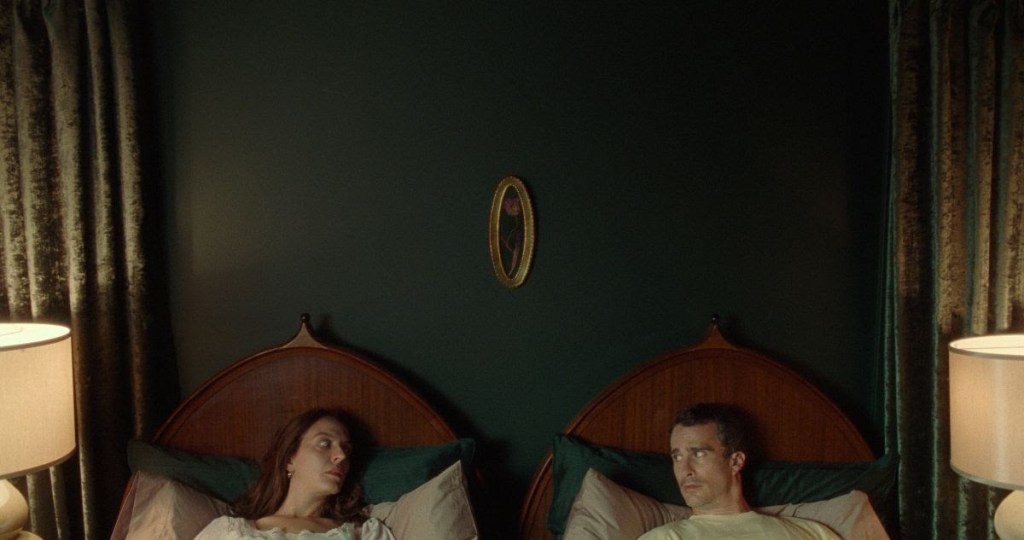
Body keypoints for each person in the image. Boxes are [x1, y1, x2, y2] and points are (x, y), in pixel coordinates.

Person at [637, 403, 840, 539]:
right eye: (677, 457)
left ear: (735, 462)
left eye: (698, 454)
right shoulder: (663, 538)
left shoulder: (812, 534)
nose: (685, 470)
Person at [194, 408, 395, 540]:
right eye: (325, 443)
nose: (341, 456)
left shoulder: (363, 533)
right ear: (290, 458)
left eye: (346, 449)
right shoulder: (230, 531)